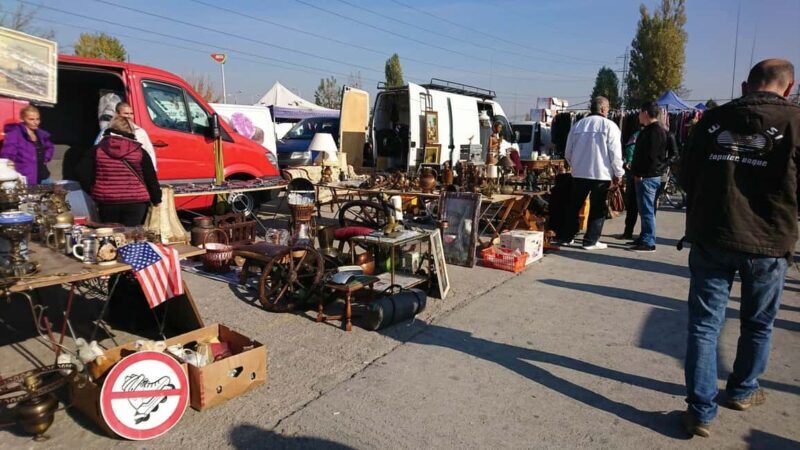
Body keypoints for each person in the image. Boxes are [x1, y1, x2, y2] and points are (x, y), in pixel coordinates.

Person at [680, 59, 798, 438]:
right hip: (768, 241)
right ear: (789, 87)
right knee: (758, 324)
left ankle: (700, 411)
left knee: (703, 326)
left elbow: (685, 176)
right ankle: (743, 391)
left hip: (714, 235)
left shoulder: (712, 122)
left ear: (748, 86)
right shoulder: (797, 123)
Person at [554, 96, 623, 250]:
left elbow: (568, 152)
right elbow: (615, 154)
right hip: (601, 174)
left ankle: (567, 237)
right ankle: (590, 240)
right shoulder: (610, 126)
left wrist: (575, 165)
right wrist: (618, 173)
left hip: (579, 173)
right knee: (597, 208)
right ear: (604, 109)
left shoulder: (578, 125)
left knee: (574, 206)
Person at [79, 115, 161, 226]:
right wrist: (156, 199)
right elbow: (150, 178)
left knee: (111, 236)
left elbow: (83, 174)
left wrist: (94, 191)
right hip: (136, 202)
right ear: (130, 130)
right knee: (133, 236)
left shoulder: (96, 150)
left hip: (107, 202)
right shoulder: (139, 151)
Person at [629, 101, 669, 252]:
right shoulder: (650, 130)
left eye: (639, 112)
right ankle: (644, 236)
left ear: (645, 113)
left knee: (647, 211)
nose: (638, 116)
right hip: (646, 176)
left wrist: (640, 174)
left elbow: (651, 157)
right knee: (645, 210)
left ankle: (648, 241)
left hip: (647, 177)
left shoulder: (654, 132)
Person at [95, 101, 157, 171]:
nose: (129, 116)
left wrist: (152, 170)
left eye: (131, 113)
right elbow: (97, 150)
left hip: (133, 171)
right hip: (111, 170)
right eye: (126, 113)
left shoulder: (140, 132)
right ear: (117, 114)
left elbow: (149, 152)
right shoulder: (106, 131)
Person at [0, 105, 54, 184]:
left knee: (56, 195)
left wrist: (45, 158)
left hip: (45, 176)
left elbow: (50, 147)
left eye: (37, 119)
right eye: (31, 119)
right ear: (22, 119)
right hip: (27, 178)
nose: (36, 122)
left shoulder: (41, 134)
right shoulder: (15, 134)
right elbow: (7, 155)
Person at [616, 128, 641, 240]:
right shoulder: (664, 133)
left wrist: (629, 163)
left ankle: (628, 231)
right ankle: (646, 235)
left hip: (635, 172)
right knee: (648, 208)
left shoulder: (637, 135)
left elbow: (630, 150)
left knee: (632, 204)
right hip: (653, 174)